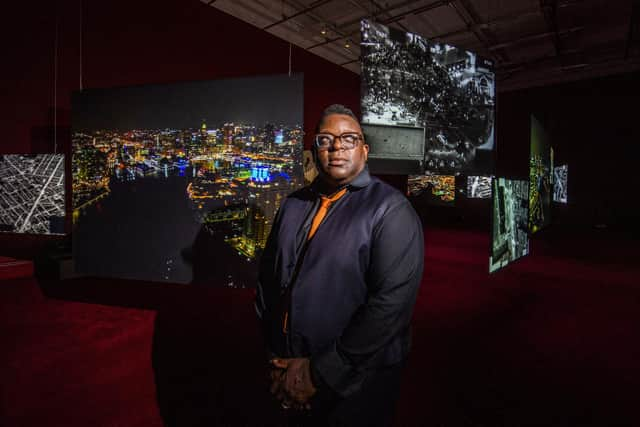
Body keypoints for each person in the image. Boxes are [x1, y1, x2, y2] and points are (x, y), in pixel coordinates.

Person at [255, 104, 424, 426]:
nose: (336, 147)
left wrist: (317, 373)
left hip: (358, 380)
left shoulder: (390, 209)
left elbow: (390, 307)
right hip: (289, 362)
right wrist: (277, 359)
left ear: (364, 149)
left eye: (348, 138)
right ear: (315, 149)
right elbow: (268, 281)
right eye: (325, 139)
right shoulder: (293, 204)